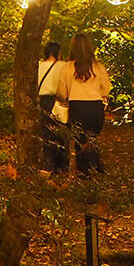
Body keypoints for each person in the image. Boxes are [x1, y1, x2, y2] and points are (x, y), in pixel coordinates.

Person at [53, 32, 111, 176]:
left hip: (77, 107)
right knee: (92, 137)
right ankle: (96, 166)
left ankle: (84, 171)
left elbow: (62, 91)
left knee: (80, 140)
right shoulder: (98, 67)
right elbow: (106, 88)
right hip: (95, 107)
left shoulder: (67, 68)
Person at [36, 42, 67, 173]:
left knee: (47, 134)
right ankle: (61, 167)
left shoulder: (38, 66)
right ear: (58, 52)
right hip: (57, 101)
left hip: (43, 102)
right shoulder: (63, 66)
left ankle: (48, 165)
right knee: (61, 134)